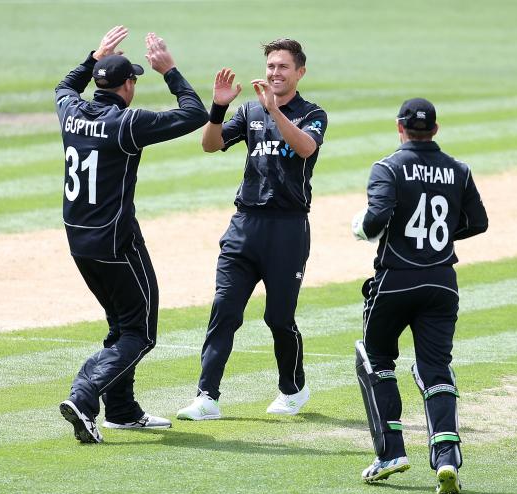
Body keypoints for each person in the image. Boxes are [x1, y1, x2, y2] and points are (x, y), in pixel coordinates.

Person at [55, 26, 208, 443]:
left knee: (121, 325)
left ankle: (121, 410)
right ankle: (85, 396)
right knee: (140, 333)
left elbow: (64, 87)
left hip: (79, 241)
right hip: (118, 243)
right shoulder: (126, 124)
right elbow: (195, 114)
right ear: (128, 86)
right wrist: (170, 70)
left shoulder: (70, 111)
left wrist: (93, 58)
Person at [176, 39, 328, 420]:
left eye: (283, 67)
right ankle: (206, 397)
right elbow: (210, 145)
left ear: (300, 73)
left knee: (278, 318)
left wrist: (276, 112)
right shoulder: (248, 111)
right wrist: (219, 107)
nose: (275, 73)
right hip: (245, 226)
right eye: (271, 66)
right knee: (224, 310)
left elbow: (306, 148)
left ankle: (293, 389)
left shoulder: (313, 113)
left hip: (288, 230)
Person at [351, 98, 488, 494]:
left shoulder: (388, 167)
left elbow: (376, 219)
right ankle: (446, 456)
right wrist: (437, 239)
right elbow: (477, 222)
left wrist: (362, 228)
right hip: (442, 281)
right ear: (436, 129)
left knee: (375, 359)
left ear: (400, 127)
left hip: (396, 279)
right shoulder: (459, 170)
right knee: (435, 368)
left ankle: (391, 452)